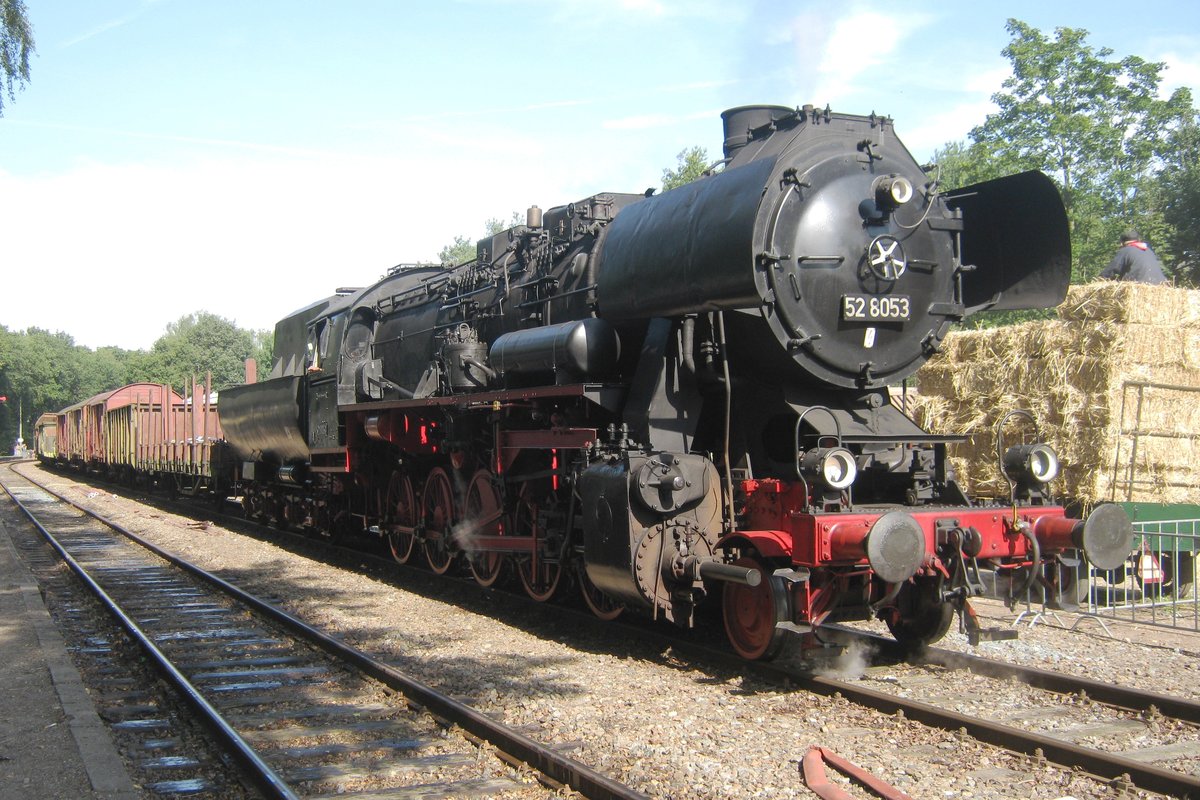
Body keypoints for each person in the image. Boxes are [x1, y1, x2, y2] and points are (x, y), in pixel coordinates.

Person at [1099, 229, 1169, 284]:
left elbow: (1111, 270)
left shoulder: (1126, 250)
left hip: (1138, 286)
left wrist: (1099, 280)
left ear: (1121, 243)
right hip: (1160, 285)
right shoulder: (1149, 250)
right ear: (1138, 240)